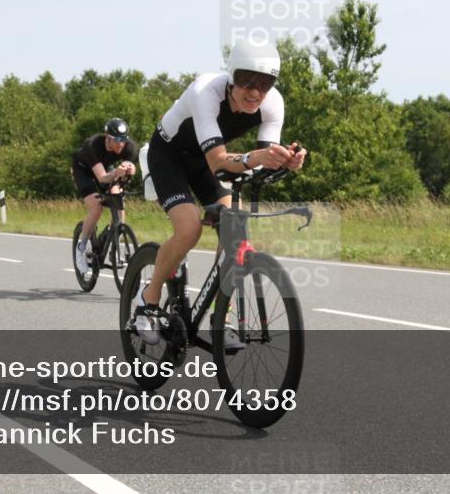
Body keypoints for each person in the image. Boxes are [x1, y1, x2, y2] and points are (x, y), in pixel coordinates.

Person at [137, 38, 306, 345]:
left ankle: (220, 319)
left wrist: (286, 162)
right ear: (231, 77)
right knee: (189, 229)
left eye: (265, 83)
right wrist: (256, 158)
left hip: (206, 161)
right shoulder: (206, 91)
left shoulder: (272, 103)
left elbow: (261, 162)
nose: (255, 92)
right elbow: (218, 162)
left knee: (234, 230)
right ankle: (147, 299)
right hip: (169, 156)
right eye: (246, 81)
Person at [71, 119, 138, 278]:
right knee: (97, 207)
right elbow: (102, 178)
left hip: (106, 167)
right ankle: (81, 248)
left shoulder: (129, 147)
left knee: (118, 200)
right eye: (117, 140)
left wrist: (129, 170)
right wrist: (116, 173)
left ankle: (115, 238)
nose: (121, 144)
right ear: (108, 137)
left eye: (124, 139)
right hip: (84, 170)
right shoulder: (93, 145)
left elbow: (127, 169)